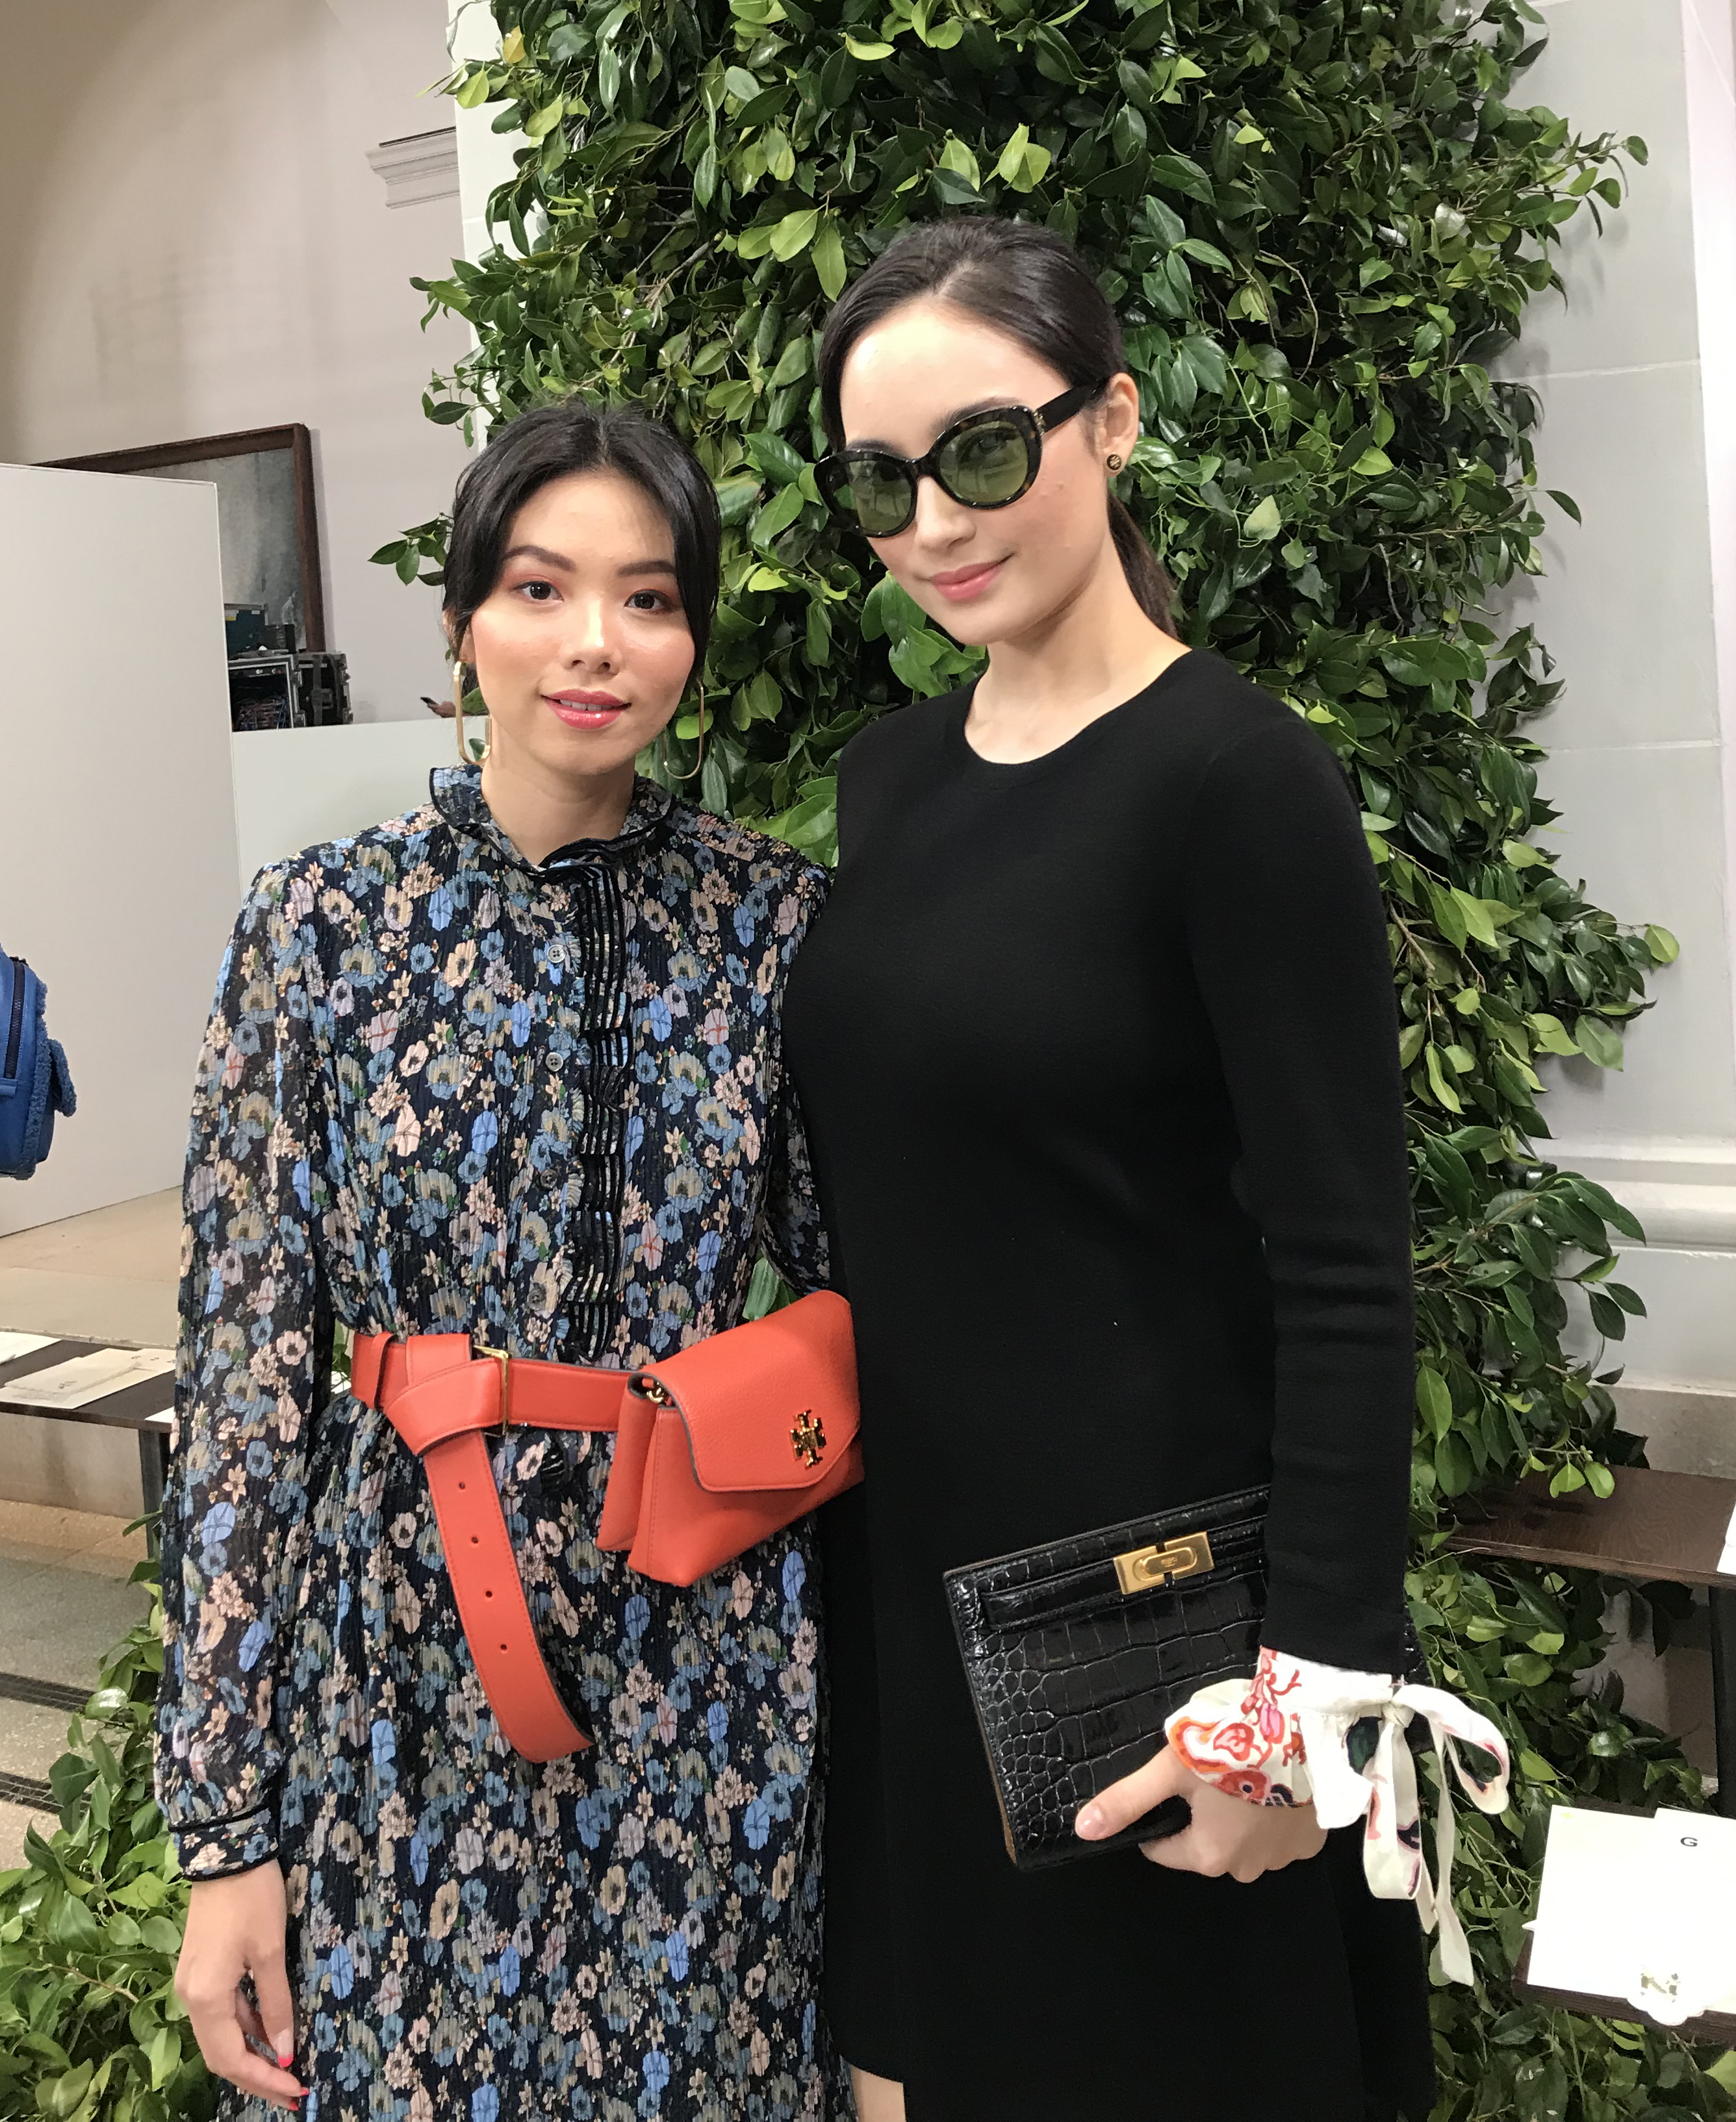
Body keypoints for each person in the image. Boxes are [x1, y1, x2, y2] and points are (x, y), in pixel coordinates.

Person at [781, 217, 1458, 2121]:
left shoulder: (1239, 780)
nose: (935, 522)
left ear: (1115, 420)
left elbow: (1347, 1268)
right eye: (882, 482)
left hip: (1168, 1639)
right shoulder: (887, 778)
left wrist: (1298, 1706)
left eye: (985, 451)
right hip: (915, 1602)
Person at [155, 402, 845, 2121]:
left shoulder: (777, 924)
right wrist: (224, 1832)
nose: (595, 641)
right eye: (540, 588)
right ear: (465, 619)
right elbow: (244, 1384)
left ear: (693, 639)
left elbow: (878, 1300)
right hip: (394, 1661)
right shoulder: (318, 929)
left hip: (707, 1654)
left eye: (649, 597)